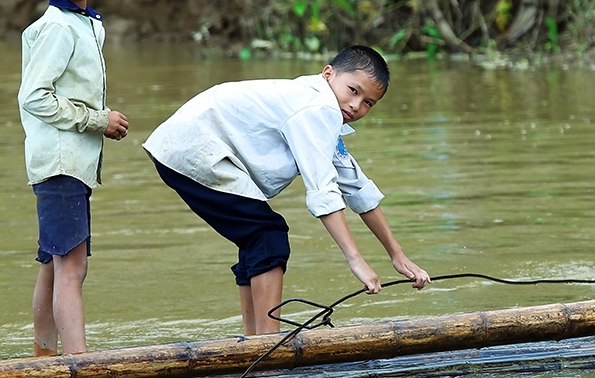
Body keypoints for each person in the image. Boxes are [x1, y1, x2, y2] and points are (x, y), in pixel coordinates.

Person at [144, 45, 431, 337]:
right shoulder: (318, 108)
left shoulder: (319, 109)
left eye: (369, 102)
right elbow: (323, 191)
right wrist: (355, 259)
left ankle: (254, 339)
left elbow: (357, 187)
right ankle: (267, 345)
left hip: (184, 147)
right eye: (353, 91)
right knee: (267, 234)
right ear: (328, 73)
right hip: (193, 147)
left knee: (256, 235)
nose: (357, 106)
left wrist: (397, 254)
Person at [18, 0, 129, 356]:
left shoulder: (85, 23)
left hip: (64, 164)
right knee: (72, 268)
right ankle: (77, 368)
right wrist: (97, 119)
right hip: (62, 164)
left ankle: (45, 356)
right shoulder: (59, 28)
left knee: (53, 265)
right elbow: (34, 96)